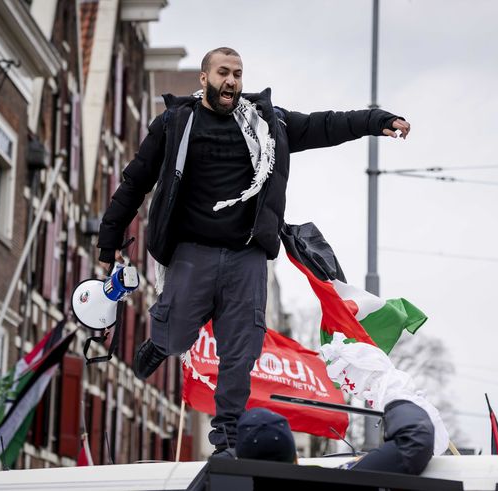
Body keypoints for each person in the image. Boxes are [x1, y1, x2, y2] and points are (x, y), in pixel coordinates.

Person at [97, 47, 410, 456]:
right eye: (223, 73)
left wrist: (377, 121)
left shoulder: (268, 123)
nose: (231, 81)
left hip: (246, 257)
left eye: (238, 75)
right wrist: (109, 239)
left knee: (240, 351)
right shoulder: (175, 124)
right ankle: (160, 343)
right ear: (204, 79)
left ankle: (226, 438)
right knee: (176, 336)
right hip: (193, 252)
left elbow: (325, 125)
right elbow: (134, 181)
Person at [233, 402, 434, 475]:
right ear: (295, 458)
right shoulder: (336, 481)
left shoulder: (209, 483)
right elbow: (415, 439)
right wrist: (397, 402)